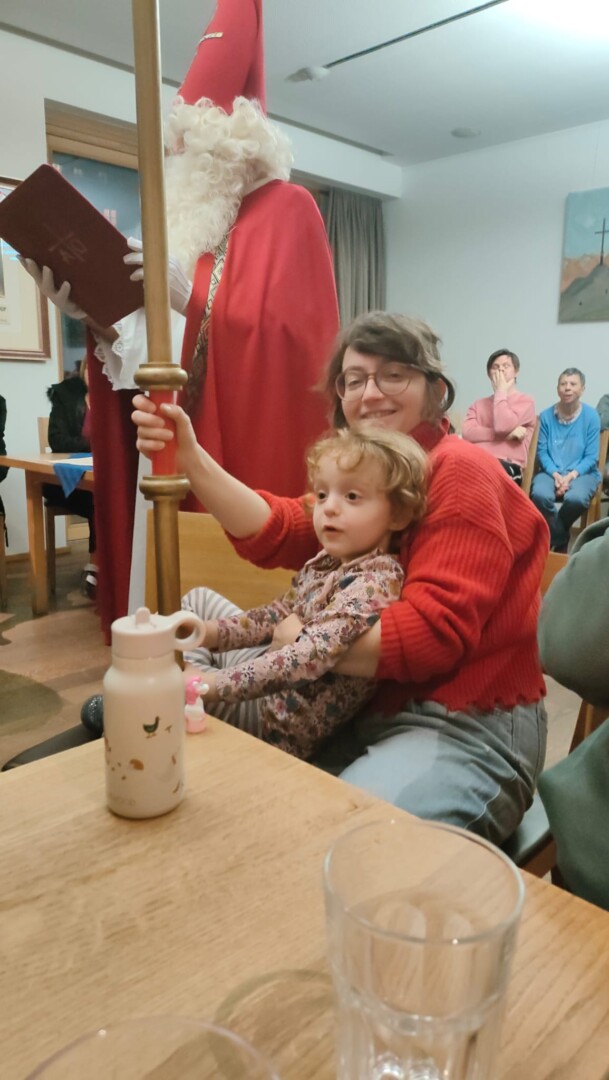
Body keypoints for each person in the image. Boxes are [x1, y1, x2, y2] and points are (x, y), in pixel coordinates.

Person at [132, 311, 550, 846]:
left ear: (434, 390)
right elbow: (283, 527)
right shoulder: (373, 472)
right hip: (359, 706)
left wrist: (297, 638)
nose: (370, 394)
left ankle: (189, 710)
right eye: (354, 380)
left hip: (463, 723)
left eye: (393, 374)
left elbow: (433, 635)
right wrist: (190, 458)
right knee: (199, 613)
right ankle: (191, 713)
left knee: (340, 843)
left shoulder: (458, 468)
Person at [20, 0, 338, 634]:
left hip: (237, 459)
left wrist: (190, 298)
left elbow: (296, 345)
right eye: (177, 144)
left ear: (235, 142)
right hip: (162, 449)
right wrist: (93, 316)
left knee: (225, 625)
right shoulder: (184, 224)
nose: (180, 154)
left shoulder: (290, 209)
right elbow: (153, 355)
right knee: (159, 610)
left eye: (193, 141)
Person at [181, 426, 427, 761]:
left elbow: (302, 659)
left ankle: (182, 705)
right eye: (323, 495)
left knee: (173, 692)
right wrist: (206, 633)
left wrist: (207, 685)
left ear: (397, 514)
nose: (329, 508)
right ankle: (183, 697)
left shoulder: (376, 582)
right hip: (264, 686)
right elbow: (277, 614)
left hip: (272, 724)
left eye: (352, 497)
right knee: (197, 604)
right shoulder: (331, 561)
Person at [42, 358, 97, 598]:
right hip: (66, 481)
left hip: (98, 478)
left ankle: (116, 563)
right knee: (100, 498)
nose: (94, 372)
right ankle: (96, 566)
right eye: (90, 367)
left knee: (114, 494)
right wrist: (92, 444)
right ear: (83, 369)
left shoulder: (116, 399)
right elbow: (57, 441)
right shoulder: (65, 395)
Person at [531, 367, 601, 552]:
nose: (567, 388)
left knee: (576, 499)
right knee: (539, 495)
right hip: (550, 472)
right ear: (557, 389)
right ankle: (560, 537)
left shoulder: (591, 416)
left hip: (582, 473)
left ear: (582, 389)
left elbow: (591, 457)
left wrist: (569, 477)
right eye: (563, 384)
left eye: (573, 384)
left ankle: (553, 535)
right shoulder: (546, 416)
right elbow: (542, 452)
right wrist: (556, 474)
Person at [462, 349, 536, 484]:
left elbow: (503, 426)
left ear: (516, 371)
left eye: (506, 366)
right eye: (495, 367)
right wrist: (506, 436)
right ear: (489, 374)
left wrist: (501, 391)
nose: (500, 370)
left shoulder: (526, 402)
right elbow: (467, 433)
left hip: (508, 467)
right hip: (477, 462)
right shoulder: (478, 404)